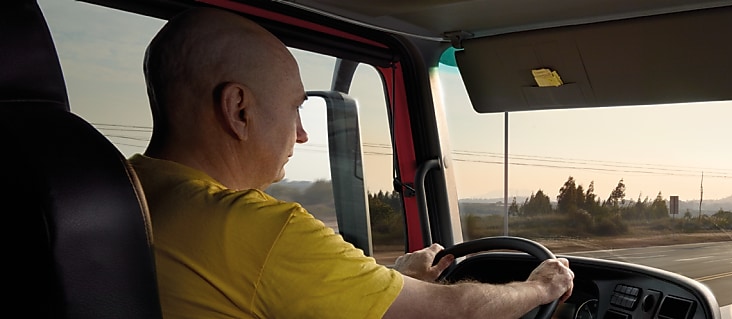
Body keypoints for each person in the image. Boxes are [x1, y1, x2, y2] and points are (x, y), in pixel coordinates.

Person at [130, 7, 573, 318]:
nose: (302, 133)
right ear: (239, 110)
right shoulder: (256, 227)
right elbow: (446, 313)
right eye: (295, 109)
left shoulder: (126, 190)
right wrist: (539, 288)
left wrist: (391, 277)